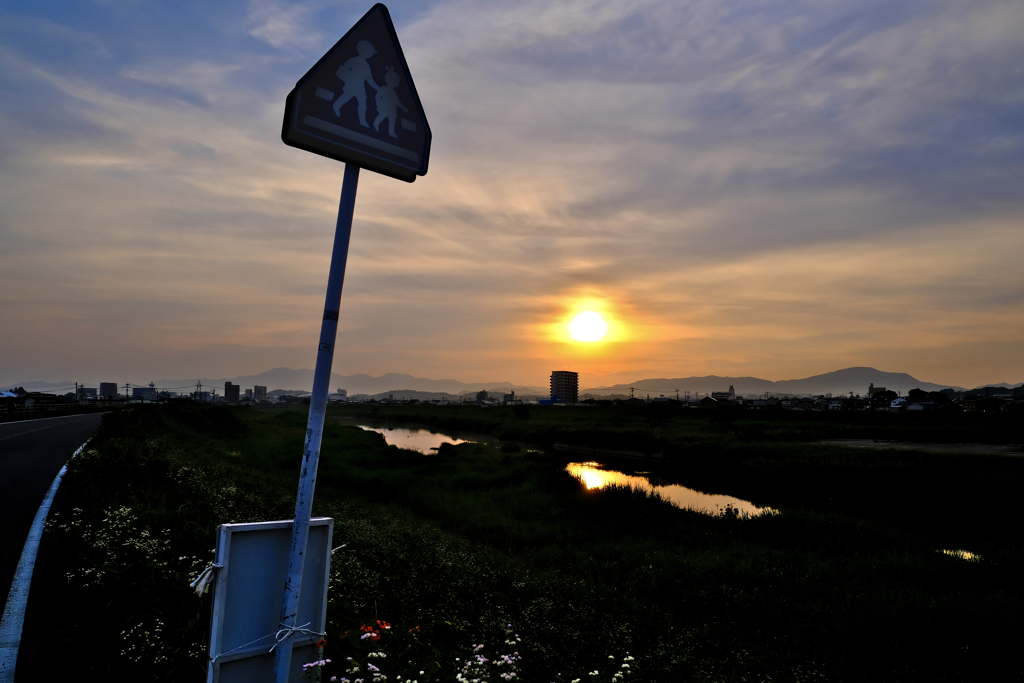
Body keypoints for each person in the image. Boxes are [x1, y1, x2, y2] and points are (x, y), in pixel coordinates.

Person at [332, 40, 380, 127]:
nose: (371, 54)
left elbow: (370, 80)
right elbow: (344, 68)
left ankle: (362, 121)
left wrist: (378, 89)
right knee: (346, 97)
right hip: (351, 84)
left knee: (362, 103)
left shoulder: (366, 65)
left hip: (360, 87)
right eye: (370, 52)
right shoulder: (354, 60)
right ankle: (336, 106)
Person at [372, 66, 409, 138]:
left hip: (392, 109)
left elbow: (396, 101)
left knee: (392, 119)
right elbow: (377, 96)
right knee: (382, 116)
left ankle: (391, 132)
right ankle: (375, 124)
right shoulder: (384, 88)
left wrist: (404, 108)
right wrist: (378, 104)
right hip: (384, 107)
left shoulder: (393, 92)